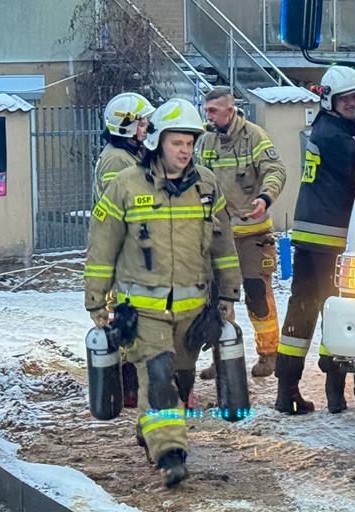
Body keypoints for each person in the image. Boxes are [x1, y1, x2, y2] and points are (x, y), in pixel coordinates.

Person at [84, 98, 242, 488]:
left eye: (190, 142)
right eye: (177, 142)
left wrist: (228, 295)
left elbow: (223, 245)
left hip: (193, 312)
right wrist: (96, 300)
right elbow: (102, 246)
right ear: (157, 142)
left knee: (181, 382)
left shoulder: (206, 186)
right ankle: (171, 454)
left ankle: (152, 428)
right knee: (157, 378)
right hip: (143, 312)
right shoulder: (124, 186)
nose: (185, 150)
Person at [276, 66, 355, 415]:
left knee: (303, 308)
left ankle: (287, 390)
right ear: (330, 100)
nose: (353, 104)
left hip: (311, 234)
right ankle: (334, 390)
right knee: (333, 308)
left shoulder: (326, 129)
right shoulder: (338, 137)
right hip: (330, 237)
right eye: (346, 99)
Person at [198, 88, 286, 379]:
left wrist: (266, 197)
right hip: (219, 234)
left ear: (230, 109)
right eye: (206, 110)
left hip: (253, 232)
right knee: (218, 297)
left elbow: (275, 169)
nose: (207, 116)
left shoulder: (254, 136)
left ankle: (269, 354)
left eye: (213, 111)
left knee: (257, 292)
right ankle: (223, 355)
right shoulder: (206, 141)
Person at [93, 92, 156, 409]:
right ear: (126, 127)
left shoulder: (129, 155)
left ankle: (133, 385)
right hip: (125, 254)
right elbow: (124, 207)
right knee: (129, 319)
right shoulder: (117, 160)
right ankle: (130, 388)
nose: (147, 126)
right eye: (142, 122)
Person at [93, 92, 155, 202]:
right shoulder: (116, 159)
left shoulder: (132, 152)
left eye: (146, 124)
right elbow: (116, 202)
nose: (146, 129)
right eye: (141, 125)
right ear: (124, 128)